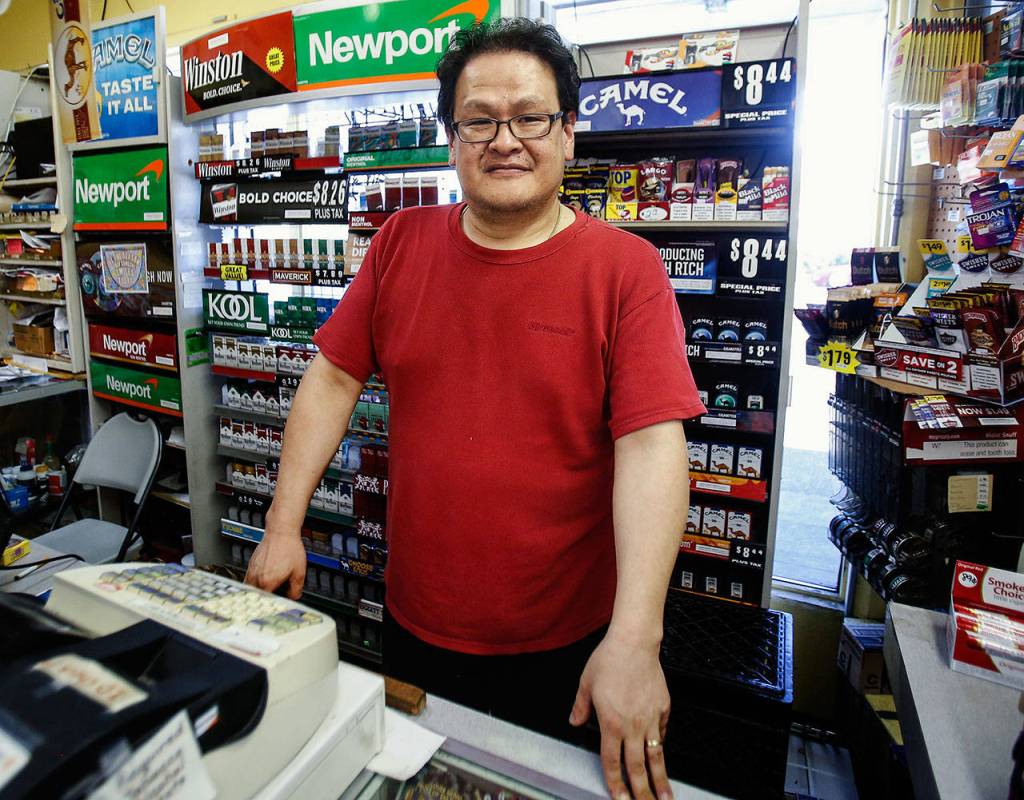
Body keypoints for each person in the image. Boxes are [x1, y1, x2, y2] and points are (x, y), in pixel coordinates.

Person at [245, 18, 704, 800]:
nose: (505, 140)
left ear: (567, 133)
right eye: (479, 120)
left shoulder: (627, 270)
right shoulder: (399, 244)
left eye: (530, 117)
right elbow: (330, 379)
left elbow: (652, 448)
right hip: (416, 623)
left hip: (566, 642)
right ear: (451, 138)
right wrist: (284, 525)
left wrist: (636, 637)